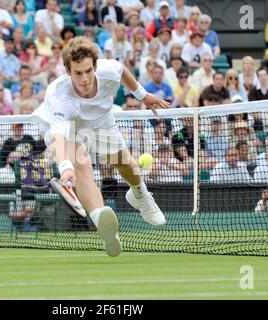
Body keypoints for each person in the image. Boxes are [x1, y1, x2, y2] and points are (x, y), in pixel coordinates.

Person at [33, 36, 170, 256]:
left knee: (126, 165)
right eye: (78, 73)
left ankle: (139, 194)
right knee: (81, 167)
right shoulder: (58, 95)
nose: (85, 78)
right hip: (71, 125)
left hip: (101, 120)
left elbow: (123, 71)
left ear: (95, 66)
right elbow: (59, 136)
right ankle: (102, 223)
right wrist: (64, 166)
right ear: (68, 71)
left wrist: (143, 96)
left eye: (88, 71)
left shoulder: (108, 70)